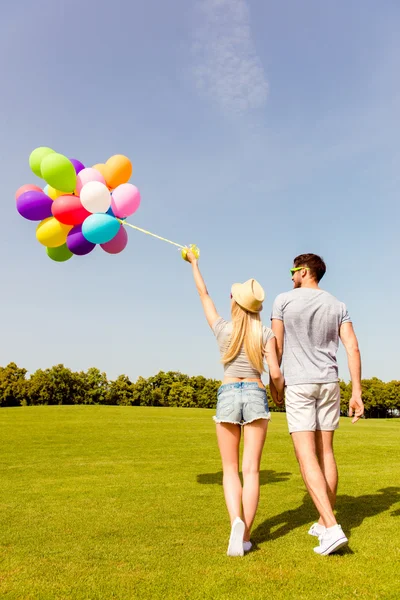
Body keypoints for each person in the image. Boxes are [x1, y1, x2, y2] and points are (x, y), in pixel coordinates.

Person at [185, 251, 284, 556]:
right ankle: (245, 537)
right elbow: (277, 373)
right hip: (255, 392)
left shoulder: (223, 329)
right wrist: (277, 391)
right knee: (251, 470)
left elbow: (204, 294)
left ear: (235, 302)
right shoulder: (266, 334)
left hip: (228, 393)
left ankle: (235, 525)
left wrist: (194, 264)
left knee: (230, 470)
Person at [270, 253, 364, 556]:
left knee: (305, 455)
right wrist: (357, 392)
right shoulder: (339, 305)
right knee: (326, 452)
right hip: (329, 384)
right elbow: (352, 346)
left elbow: (278, 347)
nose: (290, 276)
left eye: (292, 270)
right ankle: (325, 523)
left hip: (299, 384)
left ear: (304, 271)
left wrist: (276, 384)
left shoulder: (283, 300)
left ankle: (332, 527)